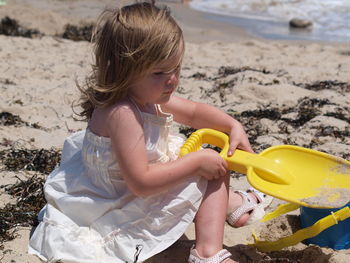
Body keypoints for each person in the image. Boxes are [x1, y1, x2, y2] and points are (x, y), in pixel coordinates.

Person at [28, 2, 272, 263]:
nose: (172, 79)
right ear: (124, 68)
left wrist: (233, 125)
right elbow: (141, 183)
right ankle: (207, 252)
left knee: (209, 161)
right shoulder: (122, 112)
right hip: (122, 197)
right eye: (159, 72)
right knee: (211, 164)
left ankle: (231, 205)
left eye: (176, 68)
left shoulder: (145, 93)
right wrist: (195, 163)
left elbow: (194, 112)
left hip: (127, 181)